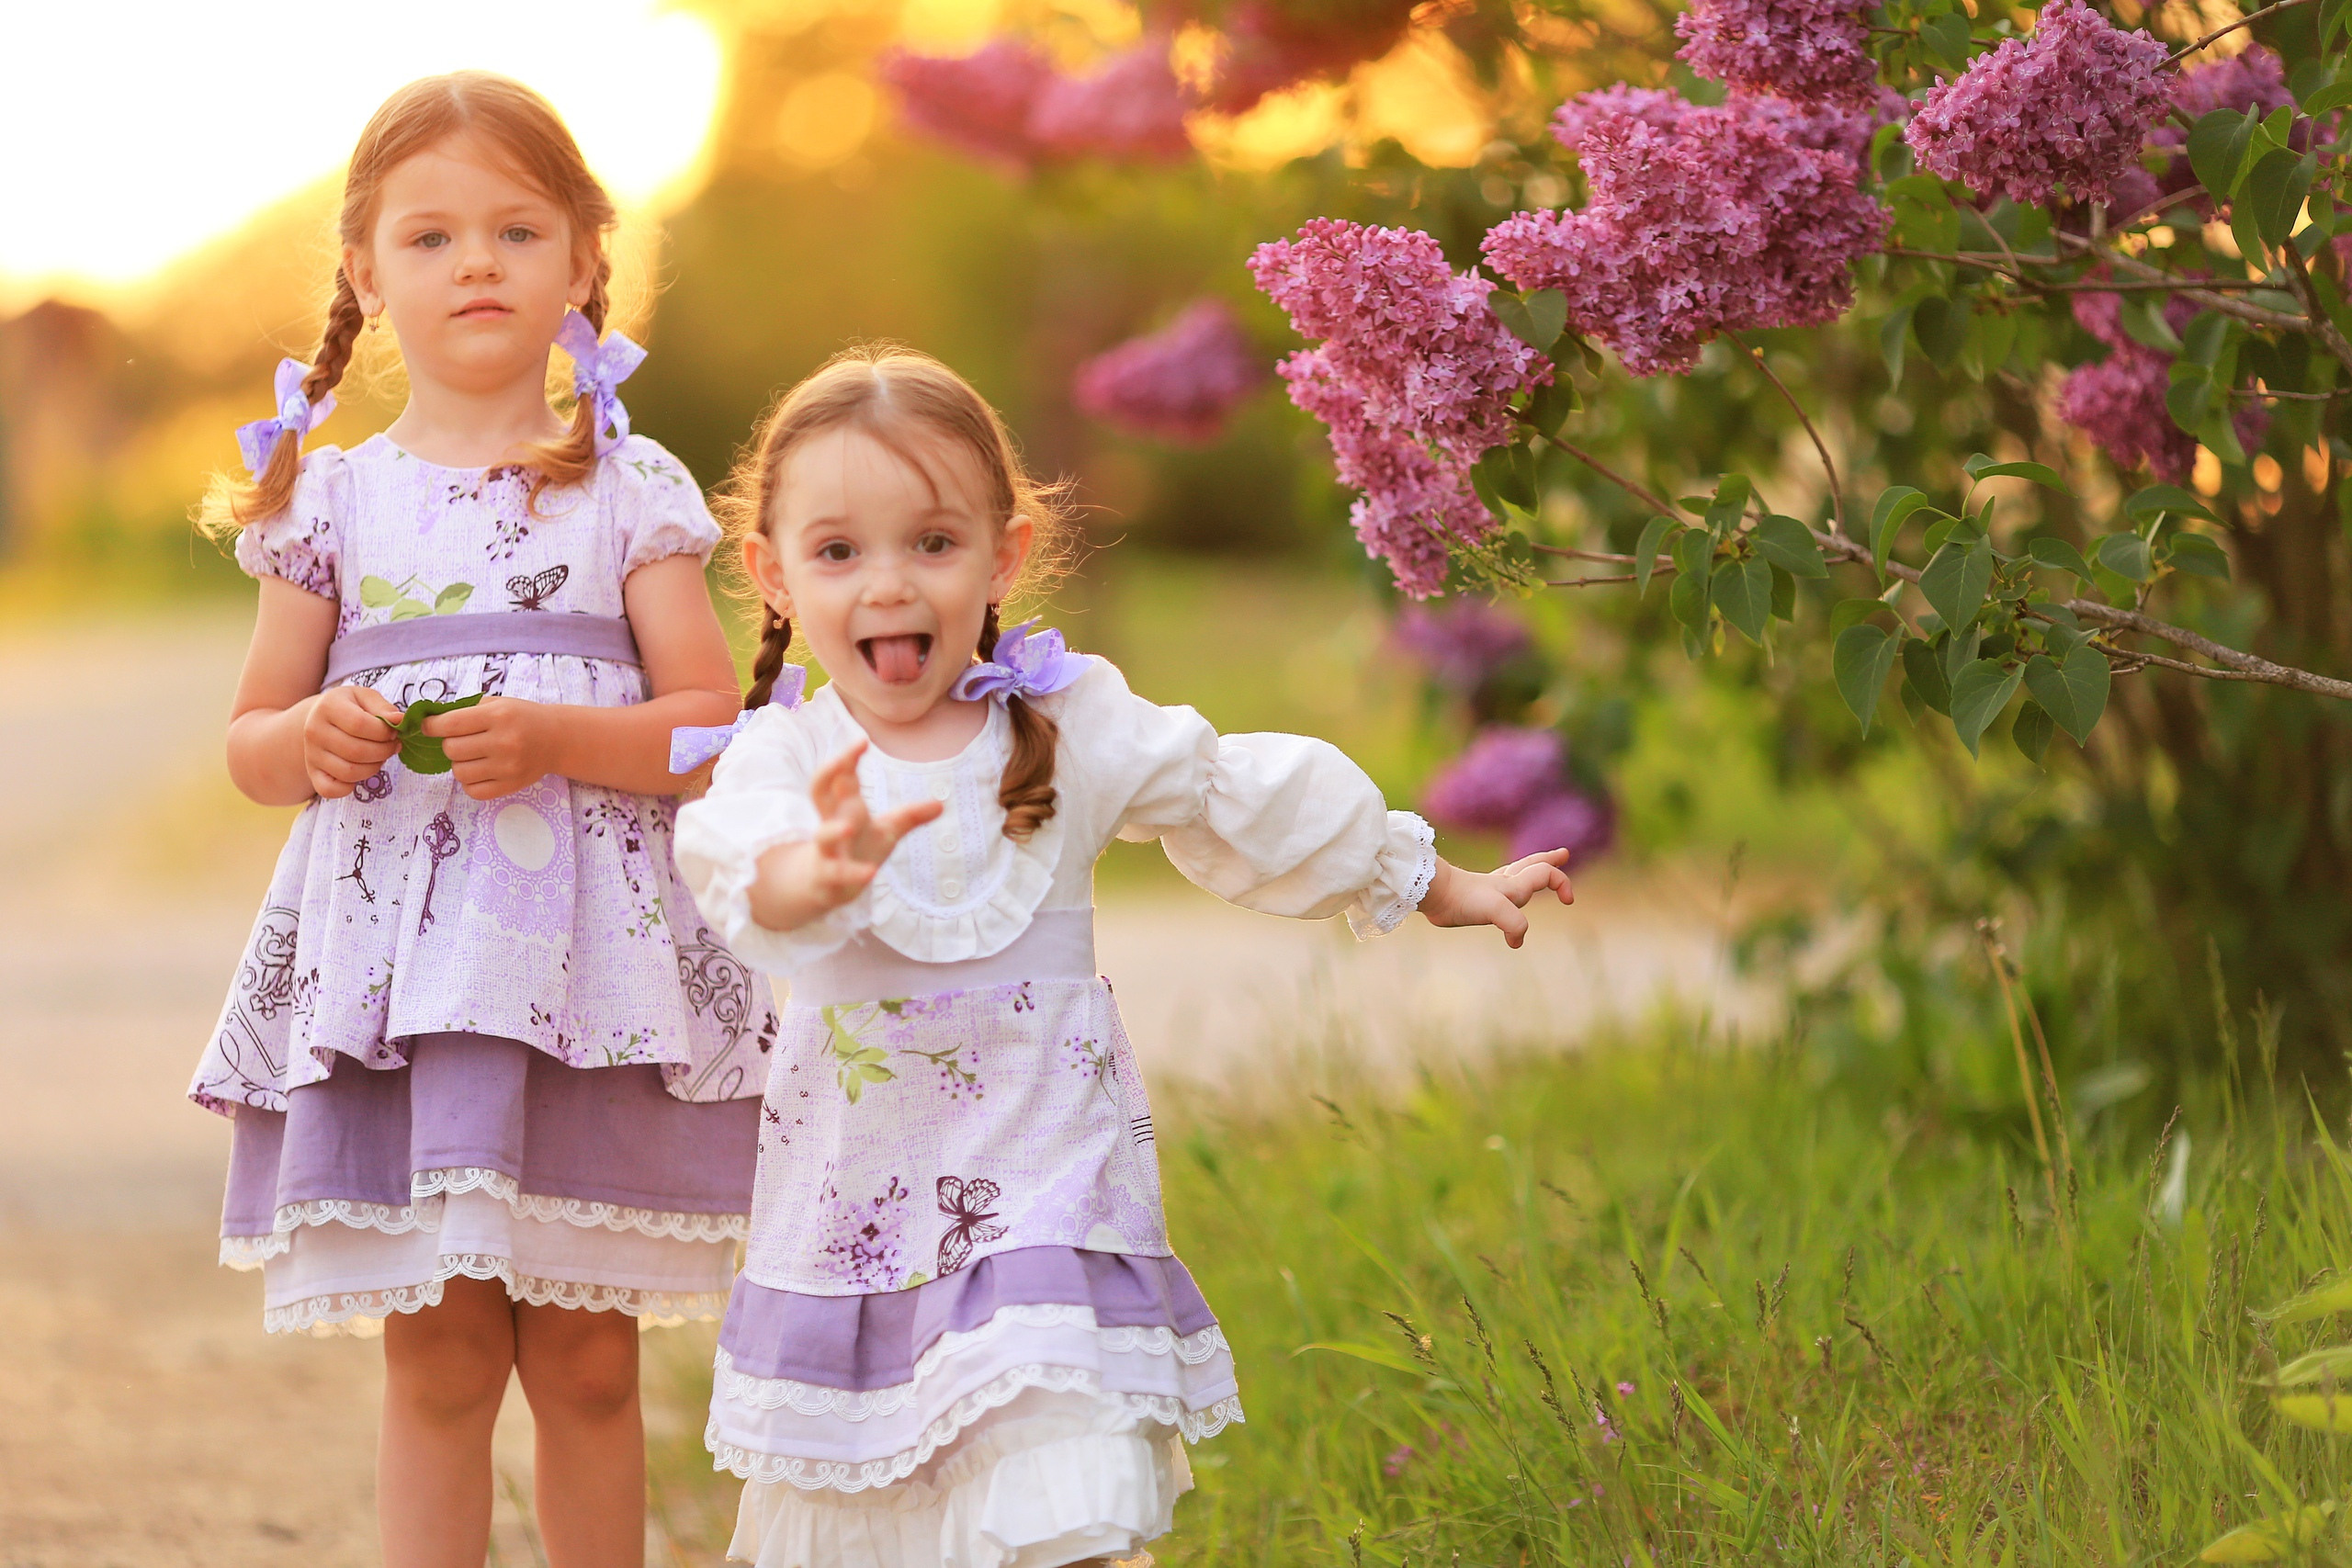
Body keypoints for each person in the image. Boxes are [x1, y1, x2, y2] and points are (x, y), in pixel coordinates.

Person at [672, 344, 1575, 1566]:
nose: (888, 585)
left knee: (1070, 1484)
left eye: (930, 544)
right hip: (858, 1228)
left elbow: (1237, 796)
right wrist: (816, 873)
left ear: (1003, 553)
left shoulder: (1073, 721)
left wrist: (1438, 882)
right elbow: (739, 872)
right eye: (839, 552)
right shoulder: (785, 762)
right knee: (882, 1520)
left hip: (1054, 1194)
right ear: (772, 575)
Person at [189, 72, 775, 1568]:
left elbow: (711, 731)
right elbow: (251, 742)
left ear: (585, 259)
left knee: (586, 1360)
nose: (477, 264)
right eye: (433, 236)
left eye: (518, 230)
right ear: (366, 272)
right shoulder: (329, 502)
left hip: (589, 985)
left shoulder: (621, 487)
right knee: (439, 1357)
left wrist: (572, 736)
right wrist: (308, 737)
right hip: (408, 995)